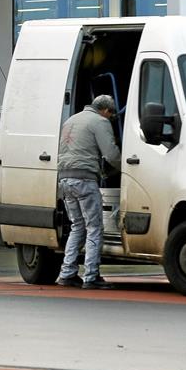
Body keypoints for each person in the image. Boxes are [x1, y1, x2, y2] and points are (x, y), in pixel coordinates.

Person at [55, 94, 121, 290]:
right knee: (94, 227)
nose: (110, 118)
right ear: (106, 110)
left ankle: (67, 274)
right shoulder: (100, 121)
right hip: (84, 180)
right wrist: (126, 166)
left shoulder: (71, 120)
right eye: (111, 114)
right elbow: (110, 153)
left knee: (78, 226)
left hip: (65, 180)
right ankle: (91, 276)